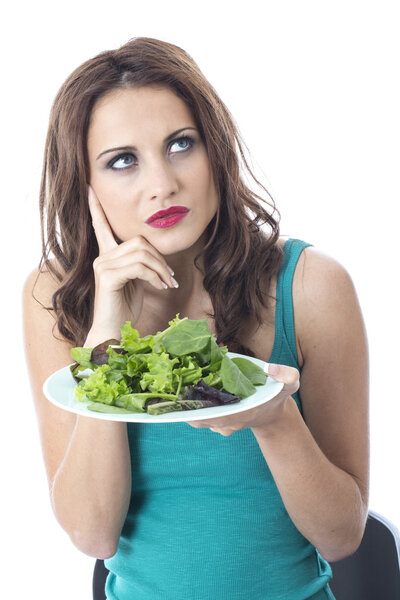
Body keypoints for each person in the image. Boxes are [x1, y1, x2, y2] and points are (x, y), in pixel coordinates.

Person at [22, 37, 369, 600]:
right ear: (85, 187)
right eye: (123, 161)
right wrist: (106, 337)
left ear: (216, 151)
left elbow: (343, 536)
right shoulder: (55, 296)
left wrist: (274, 421)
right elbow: (92, 532)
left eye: (181, 144)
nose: (162, 184)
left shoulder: (309, 285)